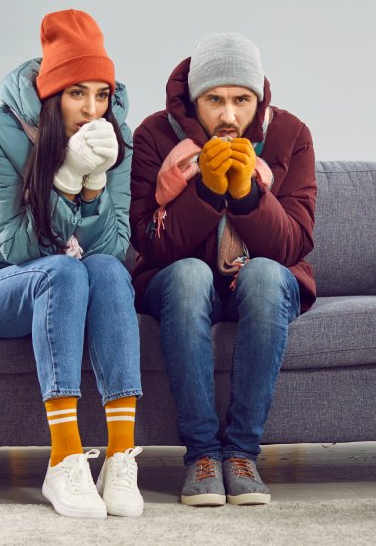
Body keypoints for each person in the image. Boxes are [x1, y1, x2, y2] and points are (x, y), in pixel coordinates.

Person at [0, 10, 142, 519]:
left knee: (109, 273)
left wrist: (95, 183)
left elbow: (112, 249)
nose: (92, 110)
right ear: (51, 93)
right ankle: (65, 458)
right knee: (64, 270)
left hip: (60, 278)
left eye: (102, 94)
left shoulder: (116, 136)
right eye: (77, 93)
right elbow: (20, 248)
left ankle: (119, 457)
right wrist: (68, 177)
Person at [129, 32, 317, 507]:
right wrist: (208, 192)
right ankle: (202, 456)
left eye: (241, 100)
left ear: (259, 98)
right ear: (194, 101)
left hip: (260, 283)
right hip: (178, 283)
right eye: (214, 100)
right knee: (191, 274)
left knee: (268, 274)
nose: (229, 116)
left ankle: (240, 454)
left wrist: (249, 195)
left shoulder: (290, 135)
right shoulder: (154, 136)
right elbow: (151, 245)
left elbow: (293, 243)